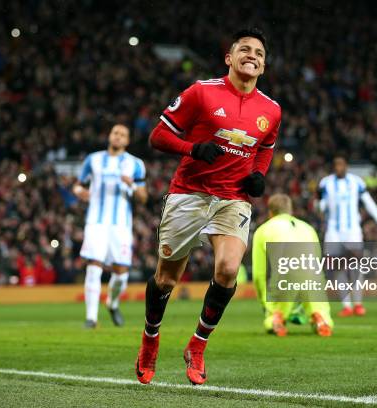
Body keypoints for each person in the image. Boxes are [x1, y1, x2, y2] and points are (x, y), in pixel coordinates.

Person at [135, 28, 281, 385]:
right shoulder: (202, 92)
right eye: (244, 49)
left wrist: (258, 175)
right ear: (229, 58)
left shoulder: (272, 110)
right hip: (190, 192)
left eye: (259, 53)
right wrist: (192, 149)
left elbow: (264, 148)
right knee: (167, 278)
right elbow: (158, 136)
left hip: (233, 199)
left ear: (263, 65)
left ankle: (197, 345)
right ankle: (150, 338)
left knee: (229, 269)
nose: (253, 55)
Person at [73, 124, 148, 328]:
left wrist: (131, 184)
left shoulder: (135, 164)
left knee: (121, 273)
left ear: (127, 141)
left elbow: (143, 197)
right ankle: (91, 318)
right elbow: (78, 184)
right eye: (115, 133)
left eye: (123, 135)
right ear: (109, 136)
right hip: (96, 222)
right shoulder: (93, 160)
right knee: (94, 266)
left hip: (121, 225)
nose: (118, 137)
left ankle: (113, 303)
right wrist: (79, 191)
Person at [252, 193, 333, 337]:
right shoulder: (308, 228)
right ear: (291, 211)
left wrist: (266, 305)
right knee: (316, 300)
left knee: (277, 303)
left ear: (270, 212)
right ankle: (320, 318)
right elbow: (317, 265)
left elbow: (259, 274)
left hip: (284, 275)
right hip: (311, 276)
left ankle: (277, 317)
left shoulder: (262, 230)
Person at [318, 156, 377, 317]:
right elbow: (320, 204)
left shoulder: (356, 182)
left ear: (346, 166)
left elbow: (368, 202)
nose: (339, 168)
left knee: (355, 266)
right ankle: (346, 305)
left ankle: (358, 304)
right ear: (333, 167)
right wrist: (321, 206)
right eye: (336, 165)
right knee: (338, 268)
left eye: (341, 164)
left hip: (353, 230)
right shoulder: (325, 183)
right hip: (333, 230)